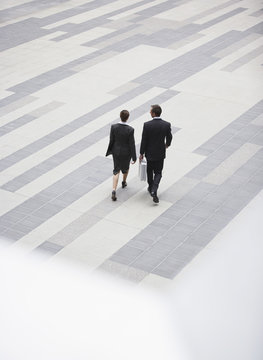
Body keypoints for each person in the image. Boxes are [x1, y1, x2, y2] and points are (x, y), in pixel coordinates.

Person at [139, 104, 172, 203]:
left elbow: (144, 140)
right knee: (158, 172)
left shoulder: (147, 125)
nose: (149, 113)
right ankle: (154, 189)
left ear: (153, 113)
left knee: (149, 171)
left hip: (149, 153)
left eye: (150, 111)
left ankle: (150, 187)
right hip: (160, 152)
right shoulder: (166, 124)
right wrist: (167, 144)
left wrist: (141, 153)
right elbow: (169, 137)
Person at [106, 110, 137, 201]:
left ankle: (114, 190)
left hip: (116, 151)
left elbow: (111, 140)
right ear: (127, 118)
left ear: (120, 116)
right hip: (126, 152)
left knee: (116, 170)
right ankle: (124, 181)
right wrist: (134, 157)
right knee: (125, 168)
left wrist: (111, 150)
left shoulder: (114, 127)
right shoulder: (130, 130)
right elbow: (132, 144)